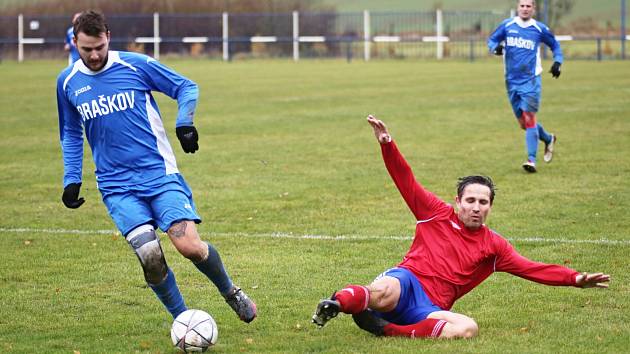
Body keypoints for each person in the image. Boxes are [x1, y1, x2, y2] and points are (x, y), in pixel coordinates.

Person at [311, 115, 610, 339]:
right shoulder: (434, 213)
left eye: (483, 202)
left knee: (467, 328)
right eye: (471, 200)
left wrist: (576, 278)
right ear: (458, 201)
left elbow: (533, 269)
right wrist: (387, 144)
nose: (476, 207)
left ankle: (386, 330)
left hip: (429, 306)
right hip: (408, 281)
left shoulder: (494, 247)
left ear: (490, 207)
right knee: (386, 290)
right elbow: (405, 179)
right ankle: (337, 303)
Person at [56, 10, 256, 324]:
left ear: (108, 36)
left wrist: (184, 122)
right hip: (116, 186)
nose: (94, 55)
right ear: (75, 44)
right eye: (86, 50)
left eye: (99, 47)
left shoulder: (135, 65)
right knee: (149, 255)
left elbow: (186, 87)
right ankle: (184, 320)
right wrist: (71, 178)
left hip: (159, 174)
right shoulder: (67, 81)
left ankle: (230, 291)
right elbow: (70, 131)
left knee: (189, 246)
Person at [487, 0, 562, 173]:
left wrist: (558, 62)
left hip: (531, 80)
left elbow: (555, 46)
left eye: (529, 6)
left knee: (529, 118)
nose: (525, 9)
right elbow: (492, 40)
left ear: (533, 9)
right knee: (524, 123)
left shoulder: (539, 29)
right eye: (522, 6)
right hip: (511, 81)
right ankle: (548, 138)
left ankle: (531, 160)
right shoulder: (508, 25)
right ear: (518, 7)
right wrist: (495, 48)